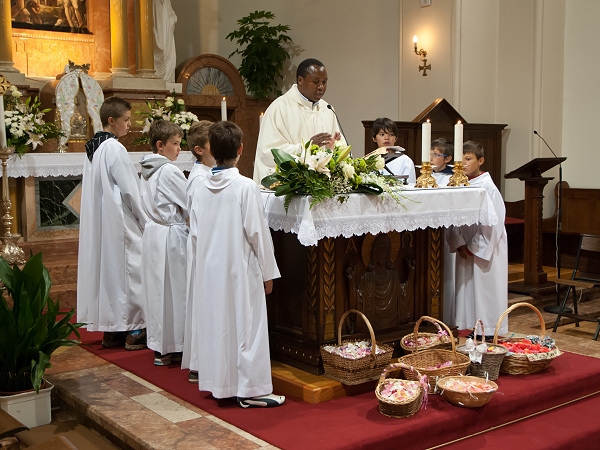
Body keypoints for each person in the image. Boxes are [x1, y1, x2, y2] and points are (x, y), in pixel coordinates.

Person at [190, 121, 285, 408]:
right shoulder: (245, 187)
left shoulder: (200, 185)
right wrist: (268, 272)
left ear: (212, 150)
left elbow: (194, 232)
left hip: (210, 267)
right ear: (241, 149)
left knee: (218, 325)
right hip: (240, 268)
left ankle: (221, 384)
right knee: (248, 327)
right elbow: (258, 233)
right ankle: (252, 390)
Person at [77, 97, 149, 350]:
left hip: (102, 218)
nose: (129, 126)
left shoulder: (93, 147)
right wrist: (145, 219)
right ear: (112, 120)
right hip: (120, 219)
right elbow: (129, 190)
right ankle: (136, 329)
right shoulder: (115, 148)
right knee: (133, 269)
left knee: (110, 272)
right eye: (126, 120)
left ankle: (113, 330)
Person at [139, 120, 189, 366]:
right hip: (170, 235)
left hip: (153, 233)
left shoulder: (146, 167)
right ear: (160, 146)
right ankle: (176, 345)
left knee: (157, 292)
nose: (179, 150)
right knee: (175, 292)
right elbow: (189, 202)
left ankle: (161, 346)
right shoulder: (169, 170)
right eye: (175, 144)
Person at [446, 141, 508, 339]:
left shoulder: (487, 187)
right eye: (461, 159)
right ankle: (475, 327)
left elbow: (494, 222)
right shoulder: (459, 184)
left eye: (468, 158)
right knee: (469, 289)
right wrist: (460, 243)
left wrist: (473, 247)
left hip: (486, 246)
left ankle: (489, 329)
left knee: (486, 288)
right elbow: (451, 216)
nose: (463, 163)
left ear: (480, 161)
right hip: (466, 245)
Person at [253, 58, 344, 184]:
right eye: (316, 82)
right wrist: (306, 148)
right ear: (300, 80)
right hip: (291, 188)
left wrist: (335, 148)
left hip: (322, 188)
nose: (321, 87)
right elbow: (268, 153)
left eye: (324, 82)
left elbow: (340, 148)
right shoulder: (280, 107)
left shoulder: (327, 109)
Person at [181, 119, 215, 382]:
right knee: (203, 303)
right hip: (203, 246)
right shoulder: (200, 180)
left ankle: (200, 360)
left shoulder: (206, 175)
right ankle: (200, 361)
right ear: (199, 150)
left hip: (203, 245)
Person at [372, 117, 416, 183]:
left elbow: (410, 186)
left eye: (391, 134)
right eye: (382, 134)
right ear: (374, 138)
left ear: (396, 138)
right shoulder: (369, 161)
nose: (387, 138)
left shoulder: (405, 161)